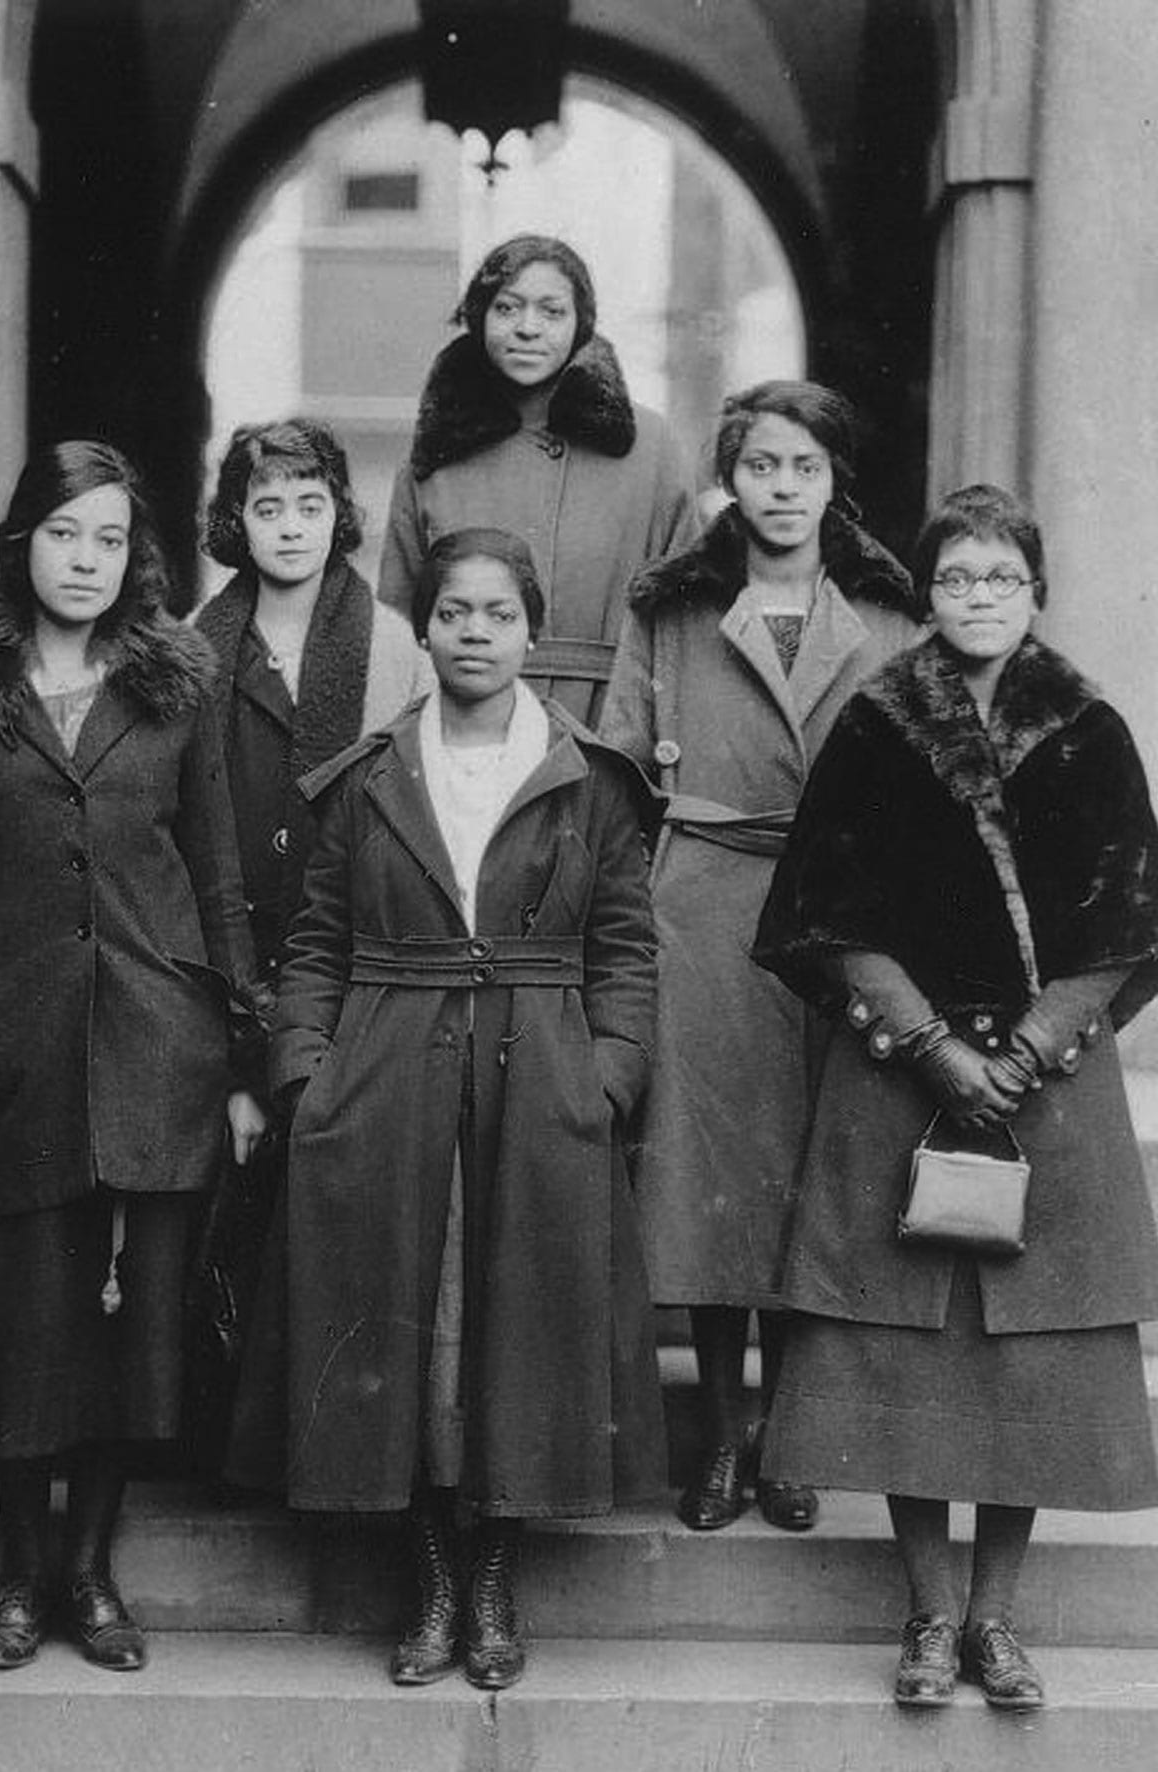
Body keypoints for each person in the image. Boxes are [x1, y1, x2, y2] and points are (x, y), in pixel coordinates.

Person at [226, 527, 664, 1689]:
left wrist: (606, 1076)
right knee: (413, 1334)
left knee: (515, 1329)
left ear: (530, 629)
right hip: (384, 1073)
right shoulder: (366, 776)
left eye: (497, 613)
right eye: (454, 612)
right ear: (421, 629)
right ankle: (426, 1579)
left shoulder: (592, 778)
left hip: (540, 1082)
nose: (474, 633)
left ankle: (493, 1584)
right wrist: (305, 1075)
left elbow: (623, 948)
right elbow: (314, 942)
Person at [752, 484, 1158, 1709]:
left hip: (1050, 1082)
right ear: (923, 592)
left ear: (1033, 591)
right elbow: (823, 913)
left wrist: (1030, 1046)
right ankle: (926, 1616)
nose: (978, 598)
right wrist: (931, 1047)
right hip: (899, 1081)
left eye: (1001, 578)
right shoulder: (877, 723)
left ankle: (995, 1621)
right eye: (956, 577)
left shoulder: (1085, 725)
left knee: (1025, 1365)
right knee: (898, 1355)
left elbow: (1127, 914)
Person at [0, 441, 265, 1673]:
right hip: (8, 1054)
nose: (85, 560)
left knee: (121, 1327)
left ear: (134, 553)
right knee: (15, 1320)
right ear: (21, 540)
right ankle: (17, 1575)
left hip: (158, 1044)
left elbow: (217, 874)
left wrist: (244, 1055)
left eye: (107, 538)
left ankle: (91, 1573)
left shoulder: (177, 684)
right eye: (62, 534)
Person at [599, 380, 920, 1535]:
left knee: (814, 1174)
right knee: (708, 1179)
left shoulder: (888, 617)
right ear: (727, 478)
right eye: (761, 466)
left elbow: (923, 789)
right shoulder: (673, 609)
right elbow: (619, 770)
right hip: (705, 910)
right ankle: (724, 1438)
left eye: (804, 469)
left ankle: (790, 1429)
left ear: (834, 486)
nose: (781, 490)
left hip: (841, 925)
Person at [190, 421, 432, 1462]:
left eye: (308, 503)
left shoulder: (385, 641)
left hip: (355, 951)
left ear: (339, 512)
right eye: (265, 505)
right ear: (234, 521)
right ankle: (236, 1438)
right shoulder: (195, 649)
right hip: (231, 953)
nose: (288, 526)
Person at [377, 234, 698, 724]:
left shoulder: (650, 448)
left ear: (581, 324)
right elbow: (399, 625)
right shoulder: (434, 455)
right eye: (507, 308)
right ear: (479, 317)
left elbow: (687, 618)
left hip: (612, 727)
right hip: (462, 724)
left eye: (552, 312)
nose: (528, 328)